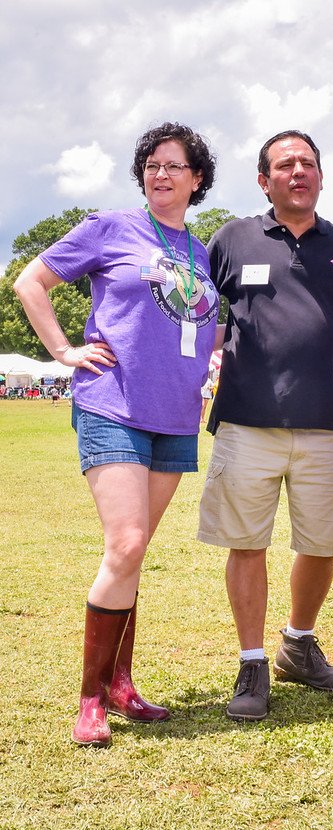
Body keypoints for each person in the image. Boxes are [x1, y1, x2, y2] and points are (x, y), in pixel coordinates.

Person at [14, 122, 219, 747]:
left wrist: (213, 362)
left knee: (133, 555)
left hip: (176, 416)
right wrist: (63, 350)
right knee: (126, 544)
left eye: (173, 165)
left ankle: (123, 683)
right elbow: (31, 282)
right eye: (151, 165)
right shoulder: (109, 228)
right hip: (113, 404)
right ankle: (90, 699)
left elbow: (202, 324)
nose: (160, 174)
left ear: (197, 179)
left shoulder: (199, 252)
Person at [198, 129, 333, 721]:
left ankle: (298, 644)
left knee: (322, 545)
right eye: (284, 164)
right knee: (247, 543)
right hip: (246, 421)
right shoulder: (231, 239)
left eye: (308, 164)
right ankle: (251, 662)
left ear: (321, 177)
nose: (298, 171)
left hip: (326, 423)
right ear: (264, 180)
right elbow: (192, 311)